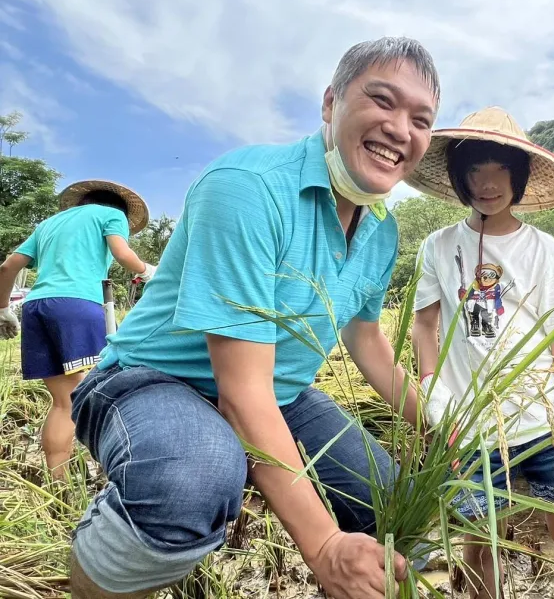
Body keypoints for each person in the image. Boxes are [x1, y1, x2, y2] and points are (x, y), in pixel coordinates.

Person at [65, 38, 441, 599]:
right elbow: (241, 395)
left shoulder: (381, 231)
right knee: (191, 481)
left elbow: (368, 343)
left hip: (281, 392)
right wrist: (324, 548)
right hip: (154, 379)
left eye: (421, 119)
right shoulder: (248, 187)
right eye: (382, 101)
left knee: (385, 497)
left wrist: (442, 424)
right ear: (330, 102)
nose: (399, 129)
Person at [408, 107, 554, 599]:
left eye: (500, 170)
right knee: (479, 543)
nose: (487, 183)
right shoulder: (439, 247)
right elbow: (424, 324)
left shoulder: (543, 250)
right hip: (471, 422)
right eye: (474, 171)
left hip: (542, 418)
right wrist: (432, 388)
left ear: (518, 177)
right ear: (459, 179)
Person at [0, 182, 155, 480]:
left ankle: (58, 487)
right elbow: (122, 254)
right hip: (78, 306)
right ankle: (112, 472)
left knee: (64, 401)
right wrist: (149, 272)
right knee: (98, 391)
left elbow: (8, 267)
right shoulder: (112, 215)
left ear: (81, 202)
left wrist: (3, 308)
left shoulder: (48, 224)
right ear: (119, 210)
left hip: (37, 308)